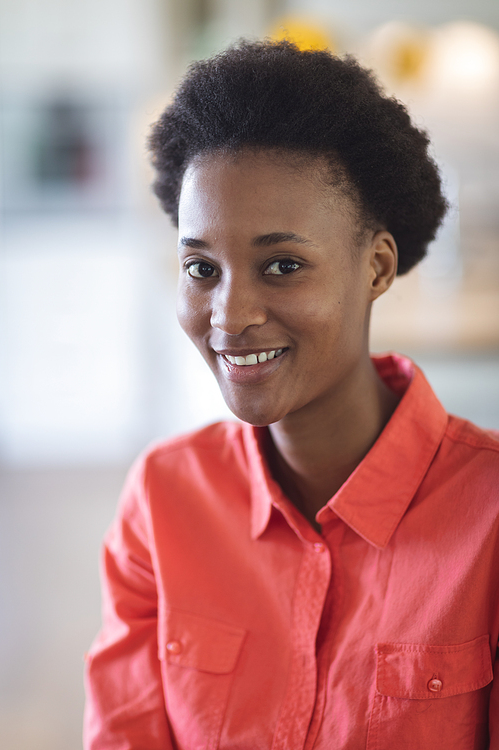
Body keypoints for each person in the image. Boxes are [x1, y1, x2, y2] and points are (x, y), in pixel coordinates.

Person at [83, 40, 499, 749]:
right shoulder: (161, 499)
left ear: (375, 267)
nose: (230, 314)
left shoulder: (487, 517)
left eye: (281, 265)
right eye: (201, 267)